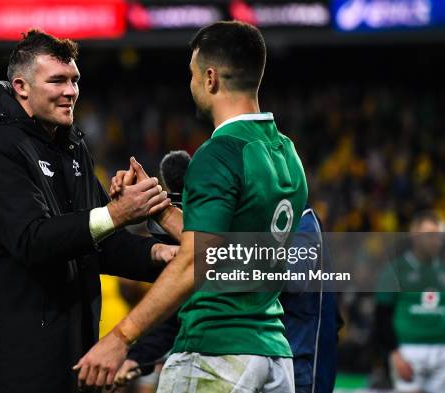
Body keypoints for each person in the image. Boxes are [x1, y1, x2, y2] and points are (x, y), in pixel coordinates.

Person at [75, 21, 308, 392]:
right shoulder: (286, 154)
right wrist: (161, 210)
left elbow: (196, 260)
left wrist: (120, 338)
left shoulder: (219, 154)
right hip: (273, 355)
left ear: (211, 78)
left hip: (216, 349)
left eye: (192, 75)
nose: (191, 85)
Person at [0, 30, 177, 393]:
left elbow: (99, 241)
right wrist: (117, 213)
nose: (70, 91)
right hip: (13, 367)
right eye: (57, 80)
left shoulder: (72, 149)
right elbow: (33, 239)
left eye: (74, 80)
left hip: (72, 357)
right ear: (21, 87)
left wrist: (159, 254)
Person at [115, 205, 343, 393]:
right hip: (253, 363)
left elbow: (292, 278)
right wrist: (138, 356)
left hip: (301, 372)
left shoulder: (300, 220)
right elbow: (191, 304)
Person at [375, 211, 445, 393]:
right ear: (414, 235)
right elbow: (382, 315)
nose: (434, 240)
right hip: (408, 352)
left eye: (438, 235)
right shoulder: (397, 269)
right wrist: (394, 354)